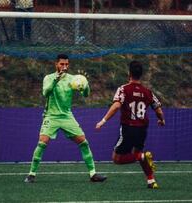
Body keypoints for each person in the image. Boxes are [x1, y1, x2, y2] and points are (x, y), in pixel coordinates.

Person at [24, 54, 107, 183]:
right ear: (56, 64)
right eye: (62, 64)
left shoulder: (72, 79)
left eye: (66, 64)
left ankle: (93, 174)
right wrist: (56, 79)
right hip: (51, 116)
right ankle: (31, 174)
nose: (64, 66)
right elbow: (46, 92)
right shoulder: (49, 78)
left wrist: (85, 84)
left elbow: (86, 94)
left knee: (83, 142)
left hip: (67, 116)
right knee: (42, 143)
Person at [95, 60, 165, 189]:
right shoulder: (148, 92)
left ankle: (142, 157)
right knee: (139, 153)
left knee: (117, 159)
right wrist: (161, 120)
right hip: (142, 130)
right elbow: (158, 109)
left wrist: (103, 121)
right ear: (141, 75)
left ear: (129, 73)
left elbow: (116, 105)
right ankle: (151, 180)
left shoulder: (123, 89)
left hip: (128, 129)